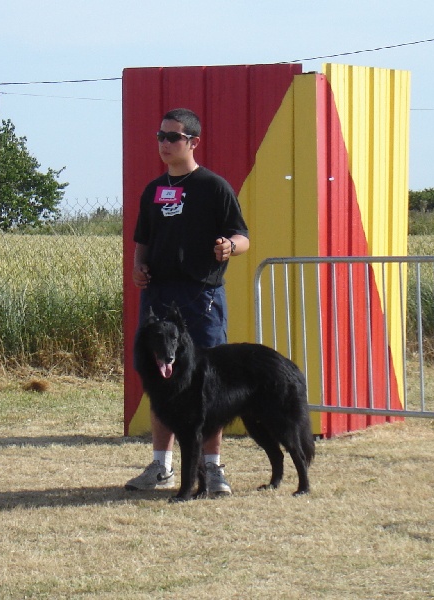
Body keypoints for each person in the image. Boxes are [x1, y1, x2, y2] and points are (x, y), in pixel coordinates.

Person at [125, 107, 250, 495]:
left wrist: (229, 246)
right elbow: (141, 241)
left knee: (205, 384)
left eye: (173, 137)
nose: (164, 144)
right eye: (160, 136)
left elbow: (243, 237)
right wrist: (138, 268)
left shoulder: (214, 187)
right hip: (159, 300)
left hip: (201, 298)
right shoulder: (153, 190)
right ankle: (160, 466)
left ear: (193, 142)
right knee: (160, 382)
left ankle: (212, 469)